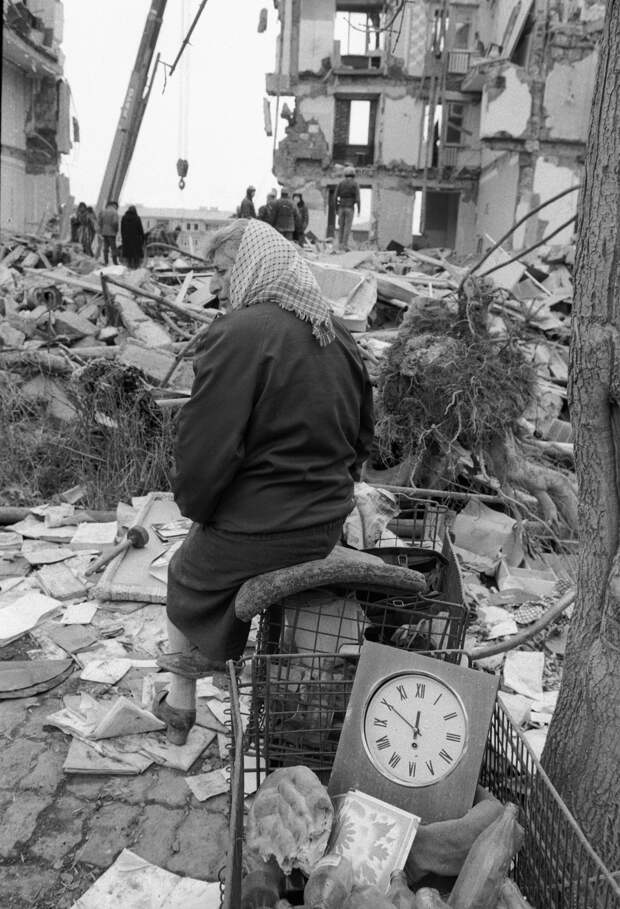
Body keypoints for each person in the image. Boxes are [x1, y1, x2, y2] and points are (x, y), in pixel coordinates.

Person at [154, 219, 374, 744]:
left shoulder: (239, 333)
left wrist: (198, 508)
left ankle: (180, 705)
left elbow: (206, 444)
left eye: (223, 271)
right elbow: (363, 436)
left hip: (265, 526)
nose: (215, 286)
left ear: (254, 266)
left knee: (185, 570)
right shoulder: (335, 331)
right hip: (321, 521)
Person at [335, 166, 361, 251]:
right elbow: (357, 198)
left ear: (345, 174)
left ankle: (339, 245)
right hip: (350, 208)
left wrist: (336, 208)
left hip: (341, 208)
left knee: (341, 227)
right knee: (347, 227)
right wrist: (359, 210)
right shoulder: (355, 183)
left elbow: (335, 196)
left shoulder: (340, 183)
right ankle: (344, 246)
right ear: (353, 174)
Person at [98, 200, 119, 265]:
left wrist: (102, 230)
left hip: (104, 232)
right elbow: (115, 222)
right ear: (114, 205)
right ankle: (115, 262)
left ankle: (106, 262)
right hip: (112, 232)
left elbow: (100, 222)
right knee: (113, 248)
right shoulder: (114, 212)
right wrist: (116, 230)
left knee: (105, 248)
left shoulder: (103, 212)